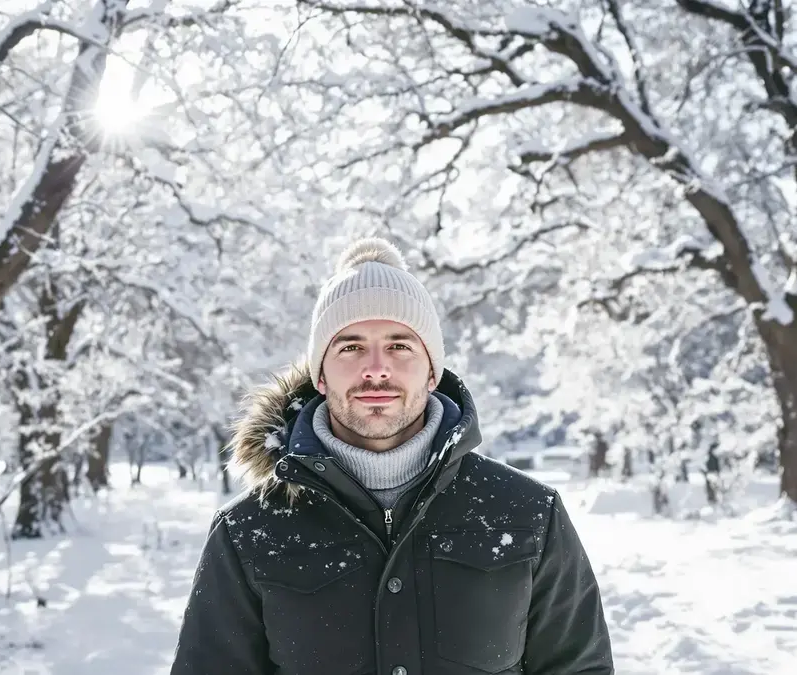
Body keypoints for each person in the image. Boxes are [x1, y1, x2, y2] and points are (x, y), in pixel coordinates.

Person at [170, 237, 613, 675]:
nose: (376, 367)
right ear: (320, 374)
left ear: (433, 370)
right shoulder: (248, 530)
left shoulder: (528, 513)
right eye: (351, 347)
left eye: (400, 345)